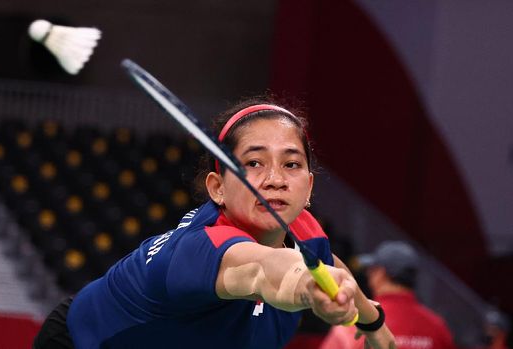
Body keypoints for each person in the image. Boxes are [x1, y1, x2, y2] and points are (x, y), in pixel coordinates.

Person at [33, 97, 395, 349]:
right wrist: (307, 289)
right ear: (217, 188)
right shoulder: (201, 248)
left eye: (292, 164)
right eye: (253, 163)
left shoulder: (302, 228)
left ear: (309, 186)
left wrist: (372, 322)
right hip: (85, 342)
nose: (275, 179)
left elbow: (328, 263)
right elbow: (263, 271)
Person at [320, 240, 456, 349]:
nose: (368, 276)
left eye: (371, 270)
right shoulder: (437, 327)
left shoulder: (354, 321)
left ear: (380, 273)